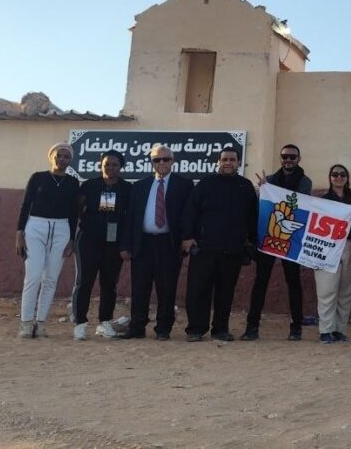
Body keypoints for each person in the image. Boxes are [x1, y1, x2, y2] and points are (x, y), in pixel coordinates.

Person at [181, 146, 259, 342]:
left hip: (232, 250)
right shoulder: (205, 184)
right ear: (218, 162)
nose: (228, 163)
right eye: (224, 159)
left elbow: (253, 217)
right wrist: (187, 237)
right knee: (198, 291)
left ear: (238, 163)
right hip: (204, 248)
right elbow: (190, 212)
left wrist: (250, 243)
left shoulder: (246, 186)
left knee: (225, 292)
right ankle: (195, 330)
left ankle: (221, 329)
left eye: (232, 160)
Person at [119, 144, 193, 340]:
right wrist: (126, 245)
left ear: (172, 161)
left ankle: (163, 329)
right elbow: (131, 217)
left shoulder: (184, 185)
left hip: (169, 244)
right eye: (157, 160)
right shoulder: (140, 186)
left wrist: (186, 238)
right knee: (140, 288)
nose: (161, 163)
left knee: (167, 288)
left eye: (165, 159)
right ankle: (137, 327)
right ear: (151, 162)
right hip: (143, 244)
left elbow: (188, 216)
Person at [242, 144, 312, 342]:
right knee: (260, 282)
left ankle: (296, 327)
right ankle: (251, 327)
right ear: (281, 159)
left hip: (291, 239)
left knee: (293, 283)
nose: (288, 160)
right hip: (269, 236)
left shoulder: (305, 181)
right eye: (285, 157)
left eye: (292, 157)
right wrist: (263, 191)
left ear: (299, 159)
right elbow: (262, 205)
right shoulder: (271, 180)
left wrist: (270, 190)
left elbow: (299, 202)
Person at [15, 142, 80, 338]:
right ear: (51, 156)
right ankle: (26, 323)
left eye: (66, 157)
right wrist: (19, 233)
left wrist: (70, 238)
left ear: (70, 160)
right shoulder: (38, 178)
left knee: (51, 278)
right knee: (33, 277)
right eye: (58, 155)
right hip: (36, 227)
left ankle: (41, 323)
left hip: (61, 229)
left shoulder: (72, 182)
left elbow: (73, 213)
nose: (62, 159)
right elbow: (25, 205)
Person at [72, 149, 130, 340]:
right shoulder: (89, 185)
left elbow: (131, 216)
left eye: (114, 164)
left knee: (109, 283)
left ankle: (105, 322)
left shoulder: (127, 188)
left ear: (121, 167)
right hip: (88, 240)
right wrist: (91, 223)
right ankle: (80, 323)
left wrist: (124, 244)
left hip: (113, 243)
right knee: (84, 282)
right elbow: (78, 209)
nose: (110, 168)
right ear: (100, 165)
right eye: (107, 164)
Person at [315, 163, 351, 344]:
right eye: (335, 174)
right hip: (327, 247)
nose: (338, 177)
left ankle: (339, 329)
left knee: (346, 290)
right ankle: (326, 330)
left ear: (347, 177)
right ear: (330, 177)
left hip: (350, 245)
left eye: (342, 174)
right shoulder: (323, 199)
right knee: (327, 290)